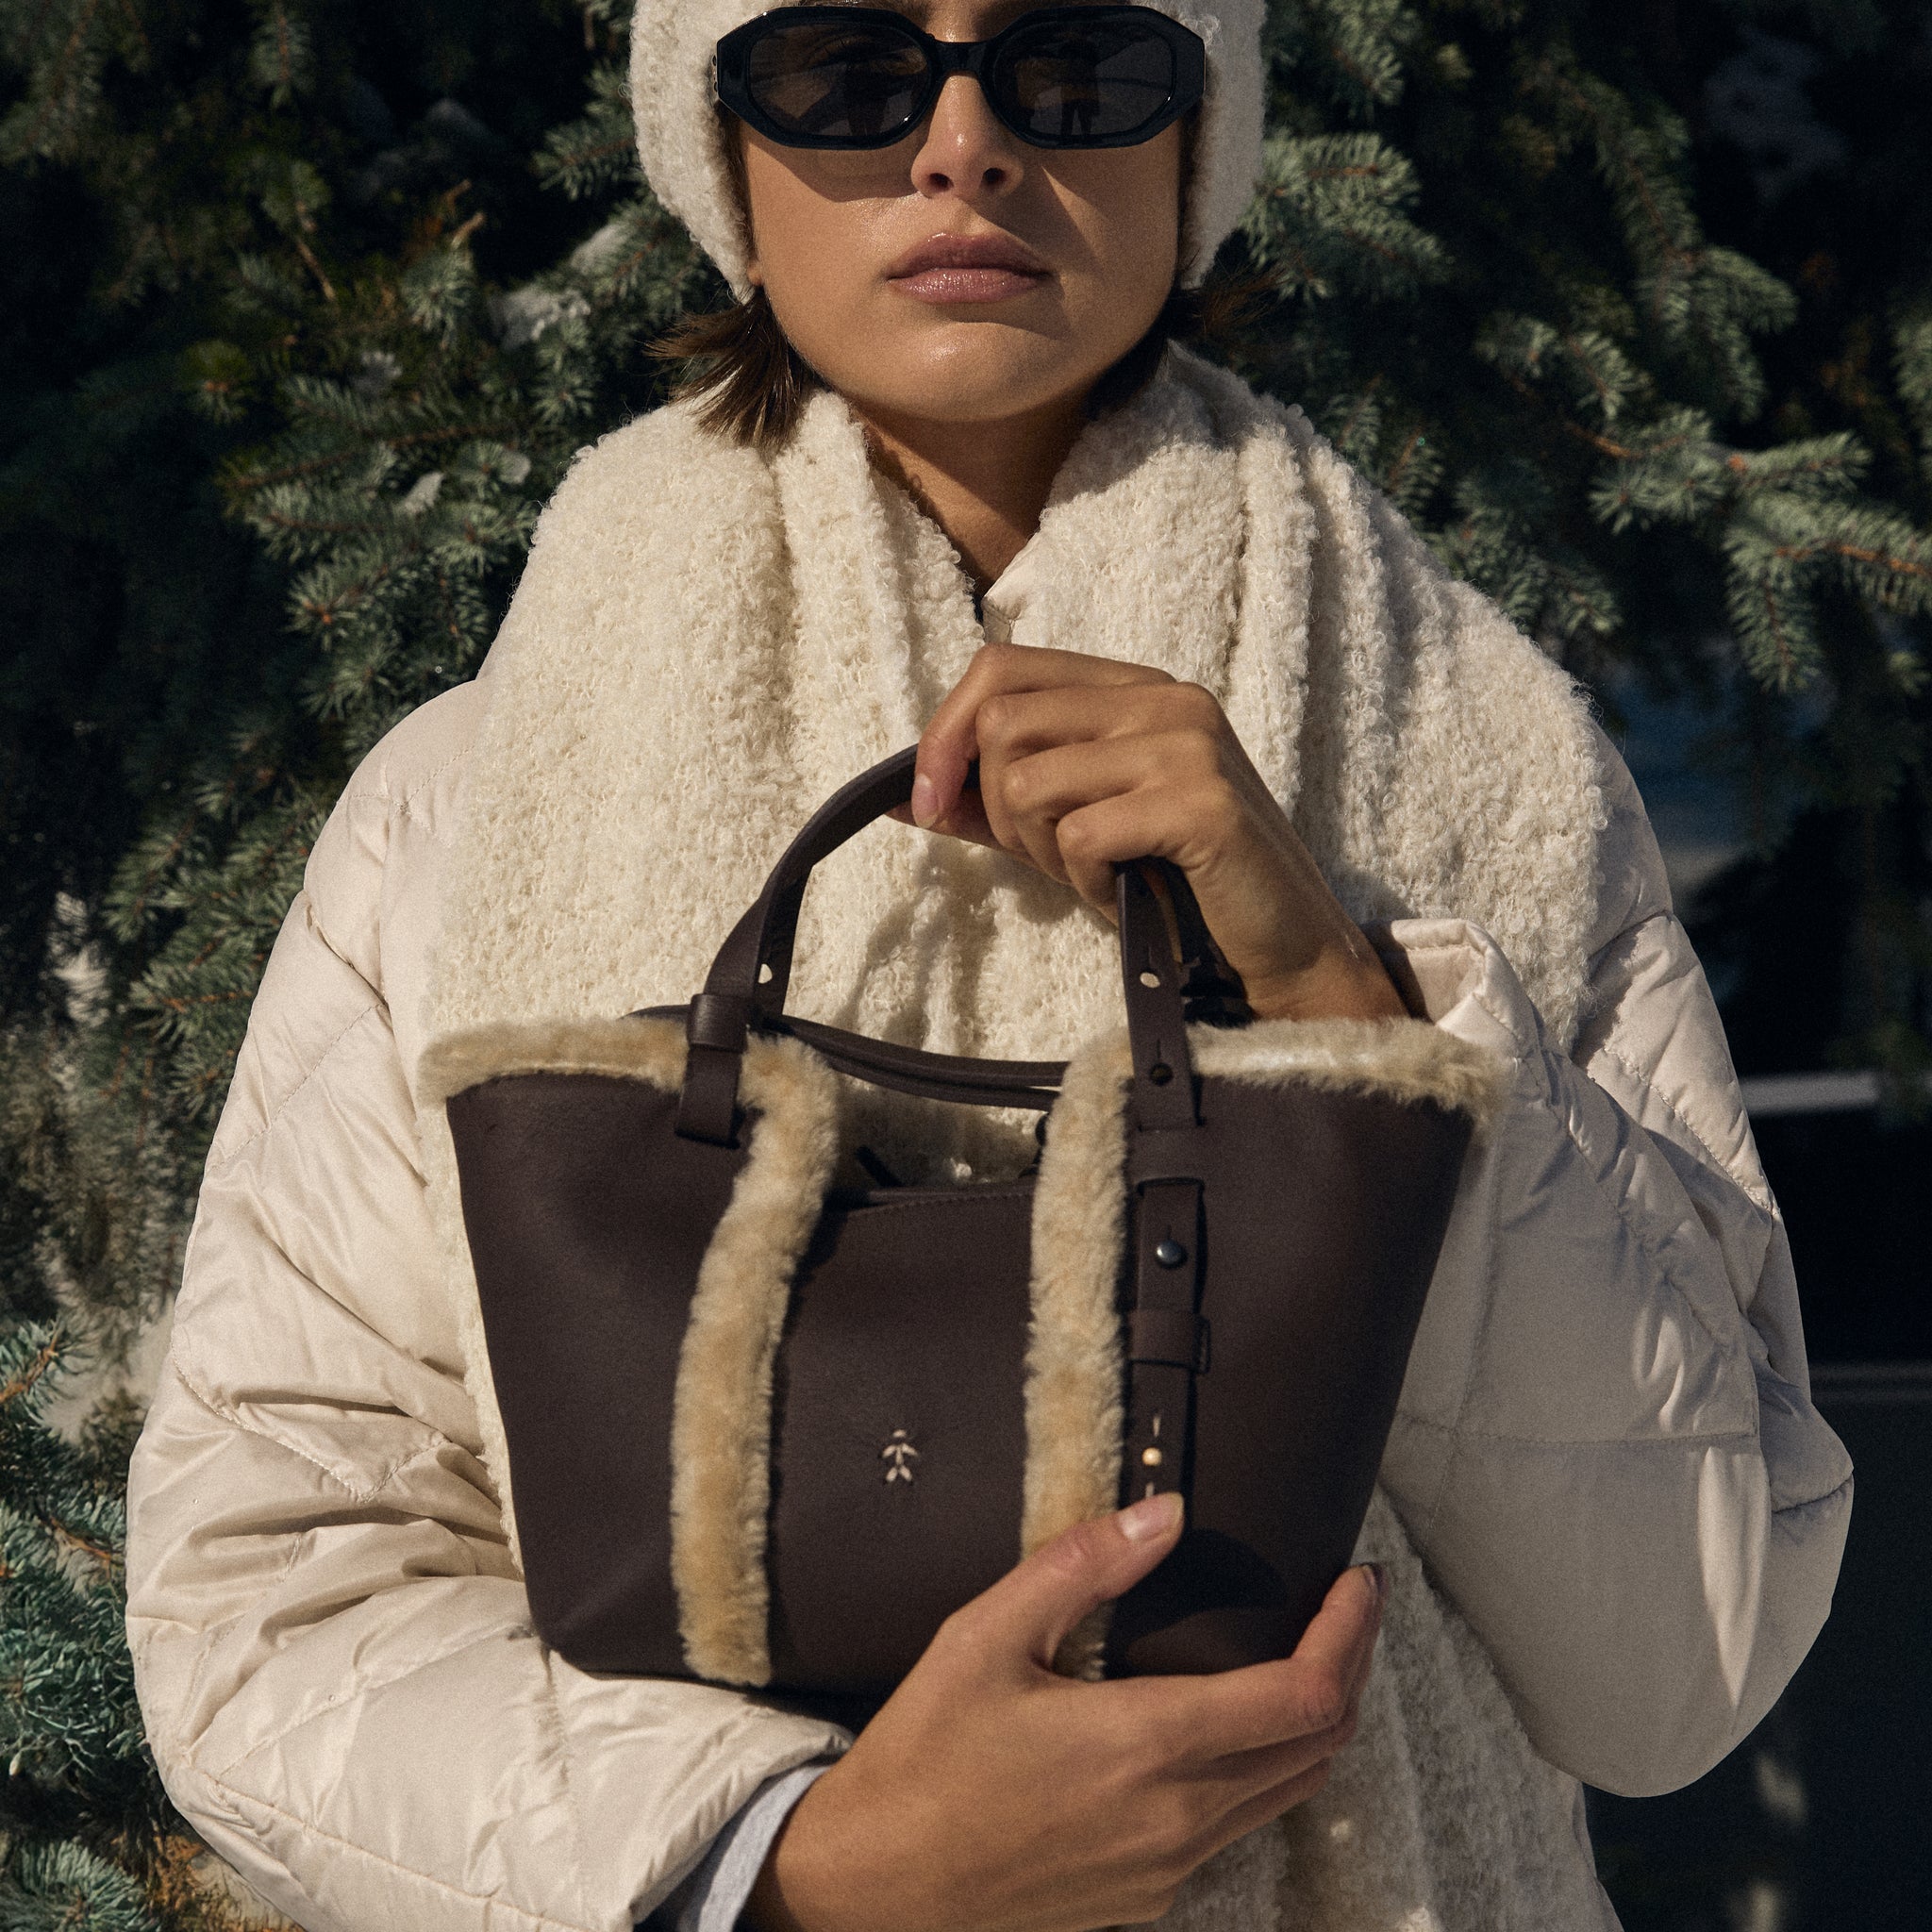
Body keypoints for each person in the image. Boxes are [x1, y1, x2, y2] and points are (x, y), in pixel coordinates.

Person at [122, 0, 1853, 1927]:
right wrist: (804, 1858)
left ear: (1196, 147)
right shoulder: (466, 803)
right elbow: (275, 1609)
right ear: (723, 156)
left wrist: (1336, 1001)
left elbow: (1685, 1658)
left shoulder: (1491, 775)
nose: (960, 145)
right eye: (845, 75)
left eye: (1077, 70)